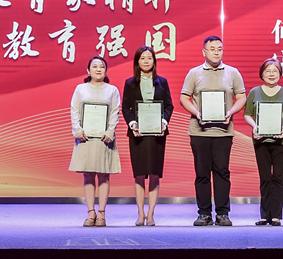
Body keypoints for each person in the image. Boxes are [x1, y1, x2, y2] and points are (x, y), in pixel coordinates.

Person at [180, 36, 246, 226]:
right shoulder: (194, 73)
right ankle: (204, 214)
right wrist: (197, 113)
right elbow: (184, 98)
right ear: (204, 52)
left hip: (223, 132)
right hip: (199, 132)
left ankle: (223, 213)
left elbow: (242, 97)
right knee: (202, 174)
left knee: (222, 173)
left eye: (220, 49)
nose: (217, 52)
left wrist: (231, 112)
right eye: (212, 49)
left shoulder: (232, 72)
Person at [122, 46, 174, 226]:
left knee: (154, 173)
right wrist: (132, 124)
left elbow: (169, 106)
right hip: (137, 133)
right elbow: (126, 108)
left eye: (149, 58)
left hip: (157, 133)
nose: (146, 61)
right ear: (137, 61)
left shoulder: (162, 82)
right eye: (142, 58)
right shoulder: (130, 83)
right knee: (139, 174)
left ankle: (151, 214)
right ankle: (140, 213)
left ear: (154, 61)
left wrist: (163, 122)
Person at [69, 56, 121, 227]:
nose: (98, 69)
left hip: (104, 138)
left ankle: (102, 214)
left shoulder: (112, 90)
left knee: (104, 175)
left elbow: (115, 112)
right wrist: (78, 131)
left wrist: (110, 131)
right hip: (85, 137)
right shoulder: (80, 89)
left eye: (102, 66)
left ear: (106, 70)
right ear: (88, 70)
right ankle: (90, 213)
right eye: (95, 66)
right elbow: (75, 111)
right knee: (88, 175)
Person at [244, 58, 283, 226]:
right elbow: (247, 114)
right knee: (265, 178)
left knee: (278, 178)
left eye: (275, 71)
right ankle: (264, 215)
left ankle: (276, 216)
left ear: (280, 73)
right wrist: (255, 127)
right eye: (268, 71)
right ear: (262, 74)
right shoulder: (254, 92)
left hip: (281, 140)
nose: (271, 74)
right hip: (260, 140)